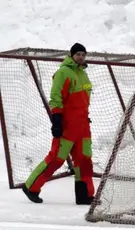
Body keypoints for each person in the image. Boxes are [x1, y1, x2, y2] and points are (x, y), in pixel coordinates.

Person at [22, 42, 95, 205]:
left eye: (83, 54)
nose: (81, 57)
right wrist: (57, 119)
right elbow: (56, 97)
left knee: (84, 160)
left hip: (83, 126)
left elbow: (83, 100)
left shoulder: (83, 74)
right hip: (68, 126)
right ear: (71, 55)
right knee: (57, 158)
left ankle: (85, 195)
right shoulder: (63, 73)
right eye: (78, 54)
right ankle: (31, 187)